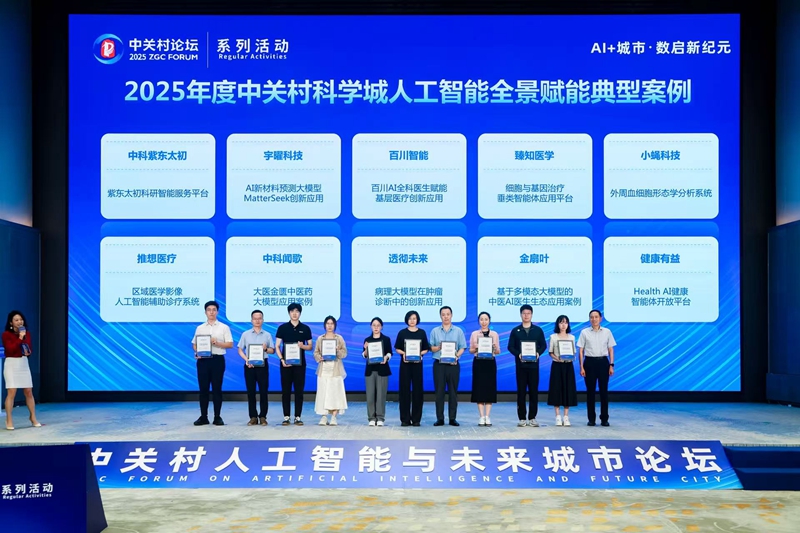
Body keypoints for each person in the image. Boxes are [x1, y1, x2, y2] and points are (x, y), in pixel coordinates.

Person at [191, 301, 233, 426]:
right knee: (203, 389)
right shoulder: (200, 328)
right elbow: (194, 344)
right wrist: (197, 352)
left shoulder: (224, 327)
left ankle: (217, 417)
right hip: (203, 361)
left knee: (217, 389)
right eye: (209, 310)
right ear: (205, 312)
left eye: (214, 310)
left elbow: (230, 344)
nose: (211, 312)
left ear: (217, 312)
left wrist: (217, 343)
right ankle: (203, 417)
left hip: (217, 360)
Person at [507, 304, 547, 427]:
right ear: (521, 315)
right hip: (521, 366)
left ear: (531, 315)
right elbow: (510, 347)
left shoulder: (538, 330)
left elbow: (543, 345)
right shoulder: (515, 331)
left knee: (534, 392)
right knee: (521, 392)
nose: (526, 315)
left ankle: (532, 417)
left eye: (528, 313)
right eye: (524, 313)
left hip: (534, 366)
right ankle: (522, 418)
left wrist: (538, 353)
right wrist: (518, 354)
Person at [275, 303, 313, 426]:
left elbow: (310, 346)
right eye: (292, 311)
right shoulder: (282, 328)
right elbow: (277, 346)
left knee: (299, 391)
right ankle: (286, 416)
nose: (294, 313)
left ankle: (297, 417)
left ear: (300, 313)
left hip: (300, 365)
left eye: (297, 311)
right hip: (285, 364)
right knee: (285, 391)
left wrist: (303, 346)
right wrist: (282, 359)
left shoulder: (305, 328)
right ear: (289, 313)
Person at [578, 309, 617, 427]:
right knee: (590, 392)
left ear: (600, 318)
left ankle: (604, 418)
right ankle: (591, 419)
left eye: (596, 317)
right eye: (591, 317)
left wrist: (611, 365)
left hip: (603, 363)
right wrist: (581, 367)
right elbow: (581, 351)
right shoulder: (584, 332)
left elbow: (611, 349)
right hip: (589, 363)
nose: (594, 319)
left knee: (603, 392)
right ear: (589, 319)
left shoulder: (607, 332)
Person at [2, 311, 40, 430]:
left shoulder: (26, 333)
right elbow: (11, 349)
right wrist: (19, 338)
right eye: (16, 320)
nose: (19, 322)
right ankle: (9, 419)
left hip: (23, 363)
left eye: (21, 319)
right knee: (12, 392)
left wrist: (28, 351)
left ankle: (33, 417)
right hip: (11, 363)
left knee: (28, 391)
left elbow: (28, 348)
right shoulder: (6, 335)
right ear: (11, 322)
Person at [429, 306, 466, 426]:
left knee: (453, 392)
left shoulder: (458, 331)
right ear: (440, 316)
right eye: (443, 314)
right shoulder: (435, 331)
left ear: (451, 315)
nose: (446, 317)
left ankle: (452, 418)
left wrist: (456, 357)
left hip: (453, 365)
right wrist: (438, 347)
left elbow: (462, 347)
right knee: (439, 392)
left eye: (448, 314)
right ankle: (440, 418)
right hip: (439, 365)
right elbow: (431, 348)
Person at [237, 309, 274, 426]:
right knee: (251, 392)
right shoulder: (245, 334)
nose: (257, 320)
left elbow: (272, 350)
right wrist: (246, 359)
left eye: (259, 318)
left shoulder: (267, 335)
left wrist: (266, 349)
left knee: (263, 391)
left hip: (263, 365)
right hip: (250, 365)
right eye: (255, 318)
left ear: (263, 320)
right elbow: (240, 349)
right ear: (251, 320)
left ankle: (263, 416)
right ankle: (253, 417)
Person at [394, 310, 429, 426]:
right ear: (407, 320)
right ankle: (405, 419)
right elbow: (397, 348)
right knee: (404, 391)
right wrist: (404, 353)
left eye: (414, 318)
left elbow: (426, 348)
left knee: (418, 391)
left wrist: (419, 353)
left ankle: (416, 419)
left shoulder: (422, 333)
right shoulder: (402, 333)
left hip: (417, 365)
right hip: (405, 365)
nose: (412, 321)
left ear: (417, 319)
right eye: (410, 318)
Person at [313, 316, 348, 425]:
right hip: (323, 370)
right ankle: (324, 417)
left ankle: (333, 417)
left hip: (335, 370)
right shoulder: (320, 338)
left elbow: (344, 353)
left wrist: (337, 351)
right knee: (323, 393)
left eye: (331, 323)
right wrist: (319, 357)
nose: (329, 326)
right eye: (328, 323)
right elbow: (316, 352)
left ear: (335, 325)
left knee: (335, 394)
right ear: (325, 325)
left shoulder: (339, 338)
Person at [469, 311, 500, 427]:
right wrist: (477, 348)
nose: (484, 322)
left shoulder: (494, 334)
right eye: (481, 319)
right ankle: (481, 416)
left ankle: (488, 416)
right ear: (479, 321)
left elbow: (498, 351)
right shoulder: (474, 334)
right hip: (479, 362)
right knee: (479, 388)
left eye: (486, 319)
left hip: (490, 362)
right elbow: (470, 350)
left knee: (490, 388)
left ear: (489, 321)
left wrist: (495, 348)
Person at [547, 315, 578, 427]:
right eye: (561, 322)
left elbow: (573, 352)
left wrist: (571, 357)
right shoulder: (553, 337)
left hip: (568, 366)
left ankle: (566, 416)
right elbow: (550, 352)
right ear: (557, 324)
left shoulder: (572, 337)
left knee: (568, 389)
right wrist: (557, 358)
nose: (563, 325)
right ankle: (558, 416)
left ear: (568, 324)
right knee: (556, 389)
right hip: (557, 365)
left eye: (565, 322)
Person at [362, 317, 392, 426]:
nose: (376, 327)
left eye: (378, 325)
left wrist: (386, 357)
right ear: (371, 326)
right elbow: (364, 355)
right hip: (370, 370)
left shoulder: (386, 339)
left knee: (381, 395)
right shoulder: (367, 340)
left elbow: (389, 353)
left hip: (382, 370)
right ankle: (371, 418)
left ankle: (380, 418)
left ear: (381, 327)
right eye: (374, 325)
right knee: (370, 395)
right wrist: (366, 349)